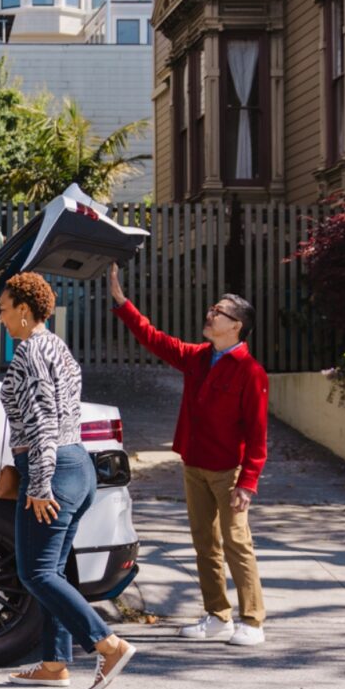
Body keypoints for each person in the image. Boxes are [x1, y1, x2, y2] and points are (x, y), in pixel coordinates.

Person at [109, 264, 268, 646]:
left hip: (228, 471)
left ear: (236, 325)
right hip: (194, 464)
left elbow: (258, 435)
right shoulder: (198, 357)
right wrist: (121, 301)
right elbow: (154, 339)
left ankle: (253, 621)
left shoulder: (250, 371)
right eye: (212, 309)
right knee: (204, 543)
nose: (210, 315)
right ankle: (217, 615)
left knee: (236, 542)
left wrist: (248, 482)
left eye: (219, 312)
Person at [0, 272, 136, 689]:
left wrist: (38, 483)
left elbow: (42, 422)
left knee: (35, 572)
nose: (1, 319)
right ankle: (56, 663)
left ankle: (108, 645)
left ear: (24, 310)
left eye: (4, 310)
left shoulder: (31, 353)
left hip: (52, 469)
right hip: (78, 465)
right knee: (53, 570)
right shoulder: (56, 345)